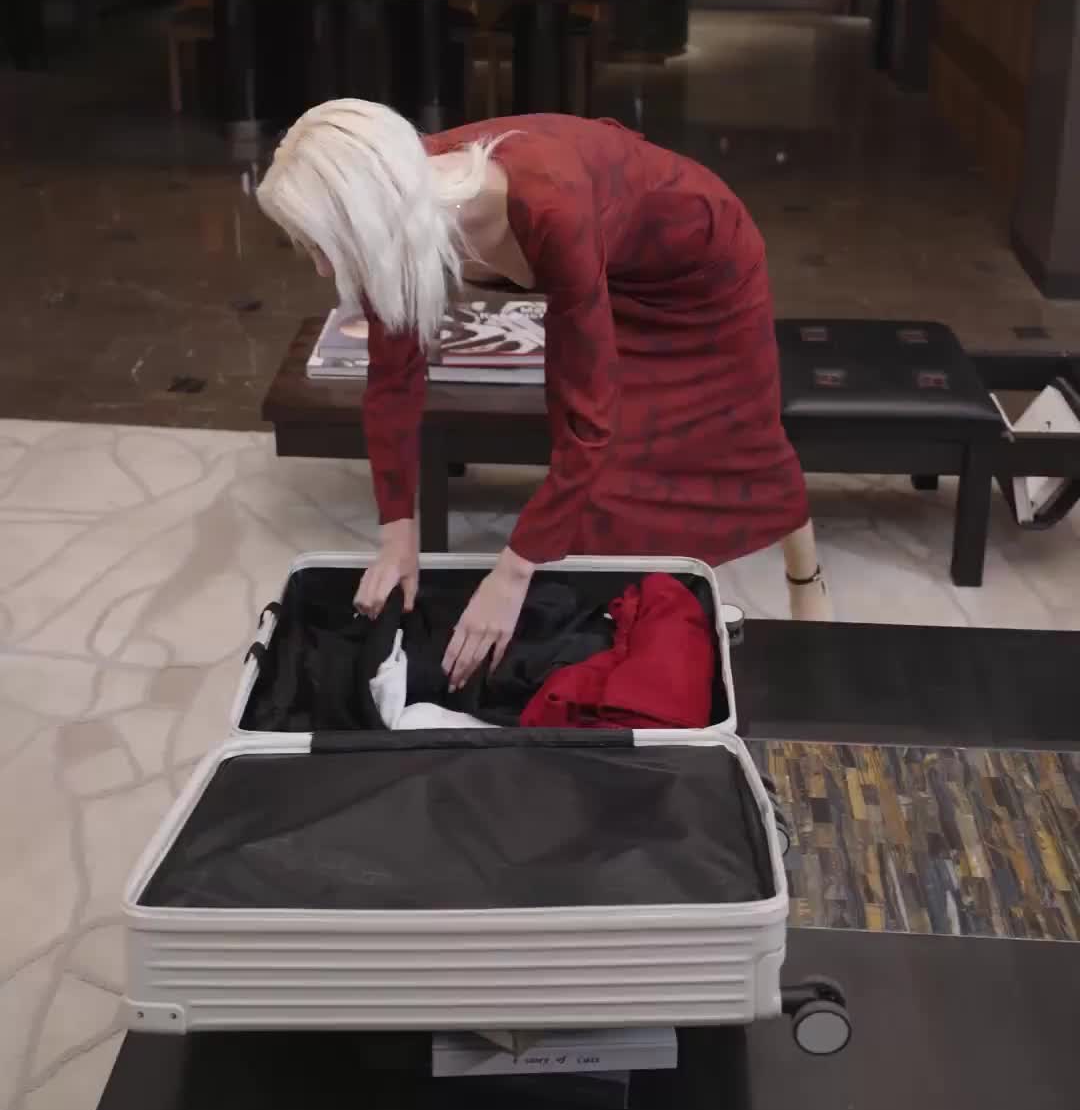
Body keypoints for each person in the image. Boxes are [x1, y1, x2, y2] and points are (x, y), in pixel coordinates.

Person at [257, 102, 831, 691]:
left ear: (367, 215)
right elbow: (393, 379)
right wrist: (397, 535)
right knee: (600, 511)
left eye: (324, 244)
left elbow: (585, 423)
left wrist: (512, 573)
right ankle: (618, 650)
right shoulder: (400, 193)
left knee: (734, 441)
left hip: (696, 265)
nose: (322, 269)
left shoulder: (546, 202)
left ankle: (805, 580)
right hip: (605, 262)